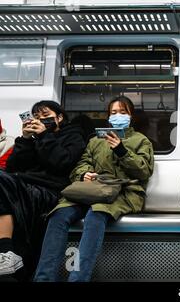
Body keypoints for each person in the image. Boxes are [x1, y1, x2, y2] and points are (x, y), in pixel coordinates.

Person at [34, 96, 154, 282]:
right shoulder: (96, 141)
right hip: (92, 189)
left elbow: (144, 171)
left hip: (124, 192)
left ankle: (78, 278)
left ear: (131, 116)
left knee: (96, 214)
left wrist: (121, 150)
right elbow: (81, 164)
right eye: (113, 113)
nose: (118, 116)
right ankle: (44, 278)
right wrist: (84, 175)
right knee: (59, 214)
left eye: (123, 112)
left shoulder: (141, 141)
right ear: (108, 117)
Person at [0, 101, 85, 280]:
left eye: (45, 116)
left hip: (50, 191)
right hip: (25, 186)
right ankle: (6, 256)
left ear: (59, 117)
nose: (40, 120)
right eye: (37, 117)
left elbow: (62, 163)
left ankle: (5, 251)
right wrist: (24, 139)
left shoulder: (73, 136)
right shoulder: (33, 140)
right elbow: (13, 167)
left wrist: (45, 136)